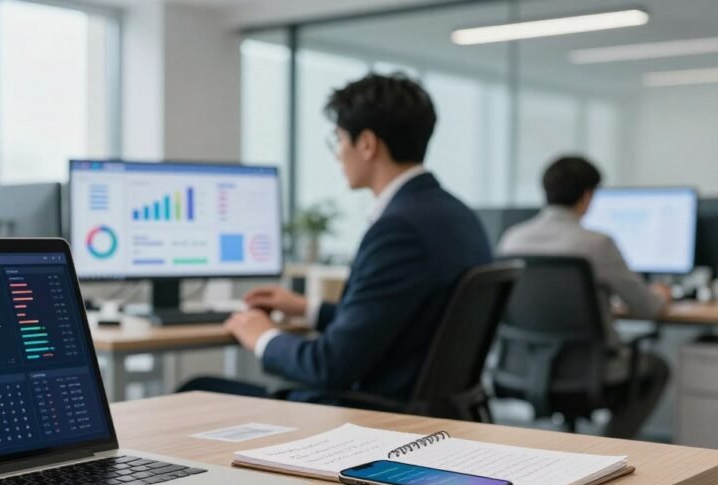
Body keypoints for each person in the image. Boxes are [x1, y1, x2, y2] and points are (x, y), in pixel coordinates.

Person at [222, 72, 492, 406]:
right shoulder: (459, 216)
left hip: (373, 414)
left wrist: (264, 337)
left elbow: (330, 365)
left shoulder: (398, 230)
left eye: (338, 139)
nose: (337, 154)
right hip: (434, 407)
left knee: (198, 388)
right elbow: (396, 320)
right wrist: (308, 309)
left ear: (366, 144)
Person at [498, 155, 670, 438]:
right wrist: (661, 295)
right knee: (658, 368)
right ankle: (613, 447)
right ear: (588, 196)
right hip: (591, 371)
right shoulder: (596, 244)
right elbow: (646, 308)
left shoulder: (511, 240)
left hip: (523, 366)